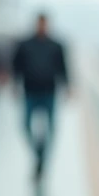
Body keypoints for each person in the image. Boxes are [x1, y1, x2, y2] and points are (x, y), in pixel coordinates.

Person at [11, 13, 69, 179]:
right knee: (26, 126)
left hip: (49, 92)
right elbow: (17, 65)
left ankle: (42, 160)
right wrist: (14, 85)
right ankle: (38, 152)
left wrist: (68, 87)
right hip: (30, 91)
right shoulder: (25, 44)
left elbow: (63, 67)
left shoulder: (56, 45)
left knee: (50, 130)